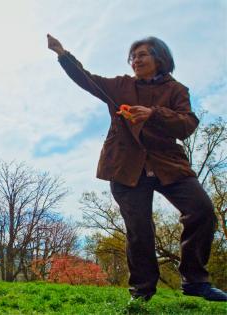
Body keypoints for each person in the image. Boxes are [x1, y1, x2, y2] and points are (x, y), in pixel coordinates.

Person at [47, 34, 226, 302]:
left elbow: (187, 124)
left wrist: (153, 113)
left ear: (159, 58)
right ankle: (141, 291)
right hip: (125, 166)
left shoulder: (176, 90)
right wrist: (62, 54)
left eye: (142, 54)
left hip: (168, 164)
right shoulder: (121, 86)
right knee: (139, 229)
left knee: (201, 211)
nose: (136, 60)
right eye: (133, 56)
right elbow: (87, 79)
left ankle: (195, 281)